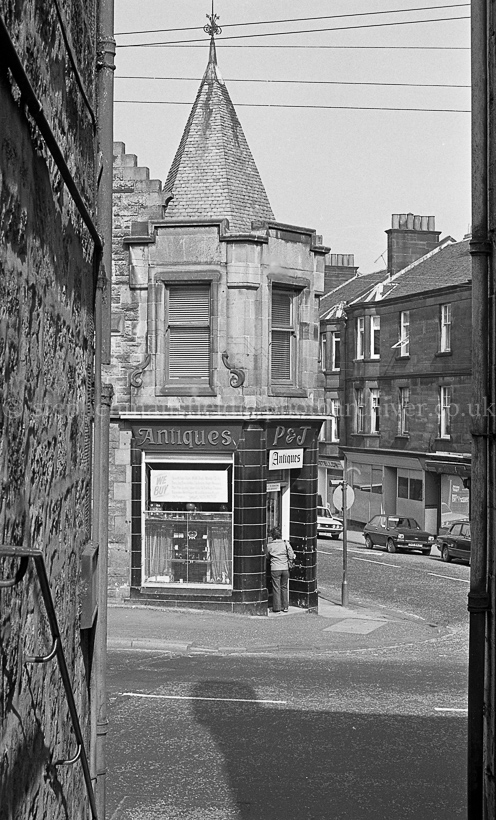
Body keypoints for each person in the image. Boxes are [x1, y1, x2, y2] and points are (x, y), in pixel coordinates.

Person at [266, 526, 295, 614]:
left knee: (276, 588)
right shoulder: (285, 543)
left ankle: (277, 607)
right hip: (285, 568)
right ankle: (285, 607)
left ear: (272, 536)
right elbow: (291, 554)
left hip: (275, 568)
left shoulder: (270, 545)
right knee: (284, 587)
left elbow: (267, 556)